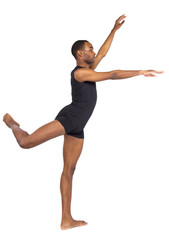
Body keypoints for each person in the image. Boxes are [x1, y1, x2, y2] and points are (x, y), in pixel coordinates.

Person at [3, 15, 163, 230]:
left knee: (69, 170)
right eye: (90, 49)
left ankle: (66, 220)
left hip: (79, 126)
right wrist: (140, 72)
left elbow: (104, 53)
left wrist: (114, 29)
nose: (94, 52)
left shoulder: (89, 69)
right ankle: (11, 122)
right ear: (80, 53)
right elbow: (114, 74)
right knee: (25, 143)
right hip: (69, 118)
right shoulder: (80, 74)